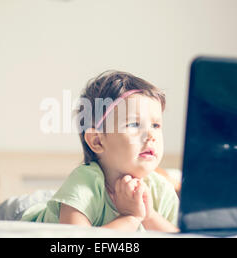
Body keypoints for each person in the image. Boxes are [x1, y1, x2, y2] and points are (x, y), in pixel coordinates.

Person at [21, 70, 180, 232]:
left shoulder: (162, 190)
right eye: (134, 124)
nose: (151, 135)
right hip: (22, 214)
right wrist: (130, 217)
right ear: (97, 141)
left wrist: (149, 215)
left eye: (156, 125)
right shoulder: (86, 182)